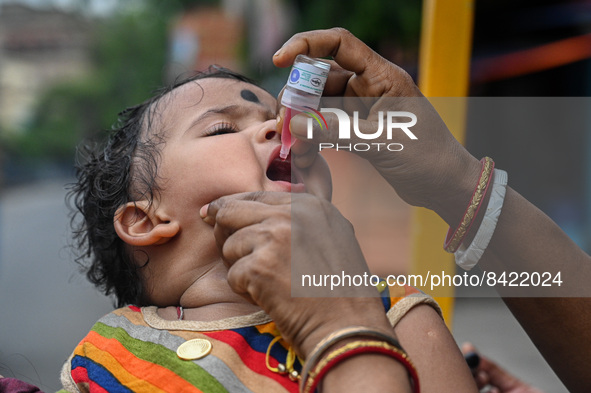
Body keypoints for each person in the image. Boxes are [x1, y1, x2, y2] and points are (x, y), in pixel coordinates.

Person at [60, 61, 477, 391]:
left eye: (287, 116)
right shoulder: (107, 351)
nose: (285, 126)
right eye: (222, 127)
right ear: (147, 220)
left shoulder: (396, 315)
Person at [272, 28, 591, 392]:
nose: (275, 127)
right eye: (221, 128)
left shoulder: (401, 315)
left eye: (274, 114)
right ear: (187, 227)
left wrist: (457, 181)